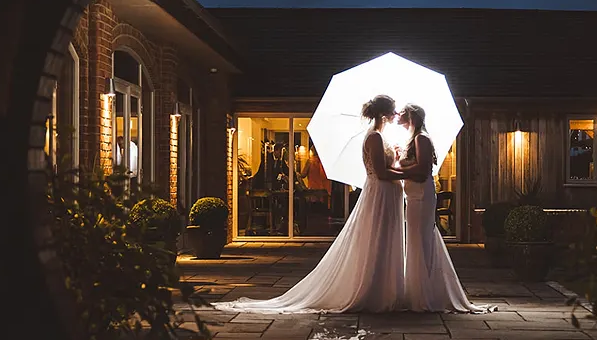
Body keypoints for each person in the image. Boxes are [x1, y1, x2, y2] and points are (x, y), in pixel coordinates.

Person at [212, 95, 409, 314]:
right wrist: (408, 172)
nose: (395, 116)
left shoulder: (380, 138)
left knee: (385, 237)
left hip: (387, 194)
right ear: (383, 114)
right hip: (381, 194)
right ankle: (375, 289)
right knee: (378, 238)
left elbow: (385, 167)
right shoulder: (374, 138)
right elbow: (380, 172)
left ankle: (386, 288)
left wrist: (398, 157)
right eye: (392, 111)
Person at [394, 103, 495, 313]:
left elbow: (422, 171)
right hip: (413, 196)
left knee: (421, 240)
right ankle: (416, 291)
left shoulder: (422, 138)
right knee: (414, 240)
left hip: (421, 195)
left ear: (411, 115)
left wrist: (400, 168)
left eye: (402, 112)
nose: (398, 114)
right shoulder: (412, 140)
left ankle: (424, 294)